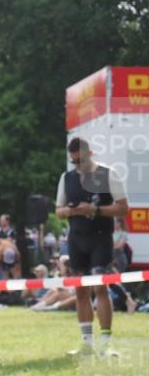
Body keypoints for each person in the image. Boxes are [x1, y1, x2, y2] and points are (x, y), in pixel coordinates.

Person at [55, 137, 129, 356]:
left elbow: (123, 208)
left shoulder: (108, 174)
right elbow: (58, 210)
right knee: (80, 291)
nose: (78, 165)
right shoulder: (66, 178)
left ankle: (105, 343)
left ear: (91, 153)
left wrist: (95, 210)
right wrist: (69, 211)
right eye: (74, 161)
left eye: (81, 160)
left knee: (100, 289)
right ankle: (86, 343)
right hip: (77, 239)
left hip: (100, 238)